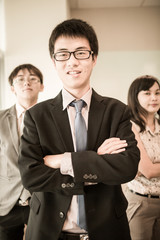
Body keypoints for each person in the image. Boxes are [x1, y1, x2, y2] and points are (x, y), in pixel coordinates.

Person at [18, 19, 140, 240]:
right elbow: (30, 176)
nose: (72, 62)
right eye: (63, 54)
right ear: (54, 62)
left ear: (94, 59)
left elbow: (127, 167)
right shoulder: (36, 116)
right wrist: (94, 162)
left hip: (107, 229)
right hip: (48, 231)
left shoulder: (117, 111)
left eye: (81, 53)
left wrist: (62, 161)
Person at [0, 64, 44, 240]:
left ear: (41, 86)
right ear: (12, 87)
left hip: (41, 199)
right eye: (20, 79)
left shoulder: (52, 118)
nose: (27, 82)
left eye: (33, 78)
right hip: (6, 203)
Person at [124, 75, 160, 240]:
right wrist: (149, 167)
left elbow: (149, 168)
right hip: (141, 204)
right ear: (135, 97)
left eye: (157, 93)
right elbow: (148, 170)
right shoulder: (130, 127)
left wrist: (152, 165)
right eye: (147, 93)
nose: (154, 98)